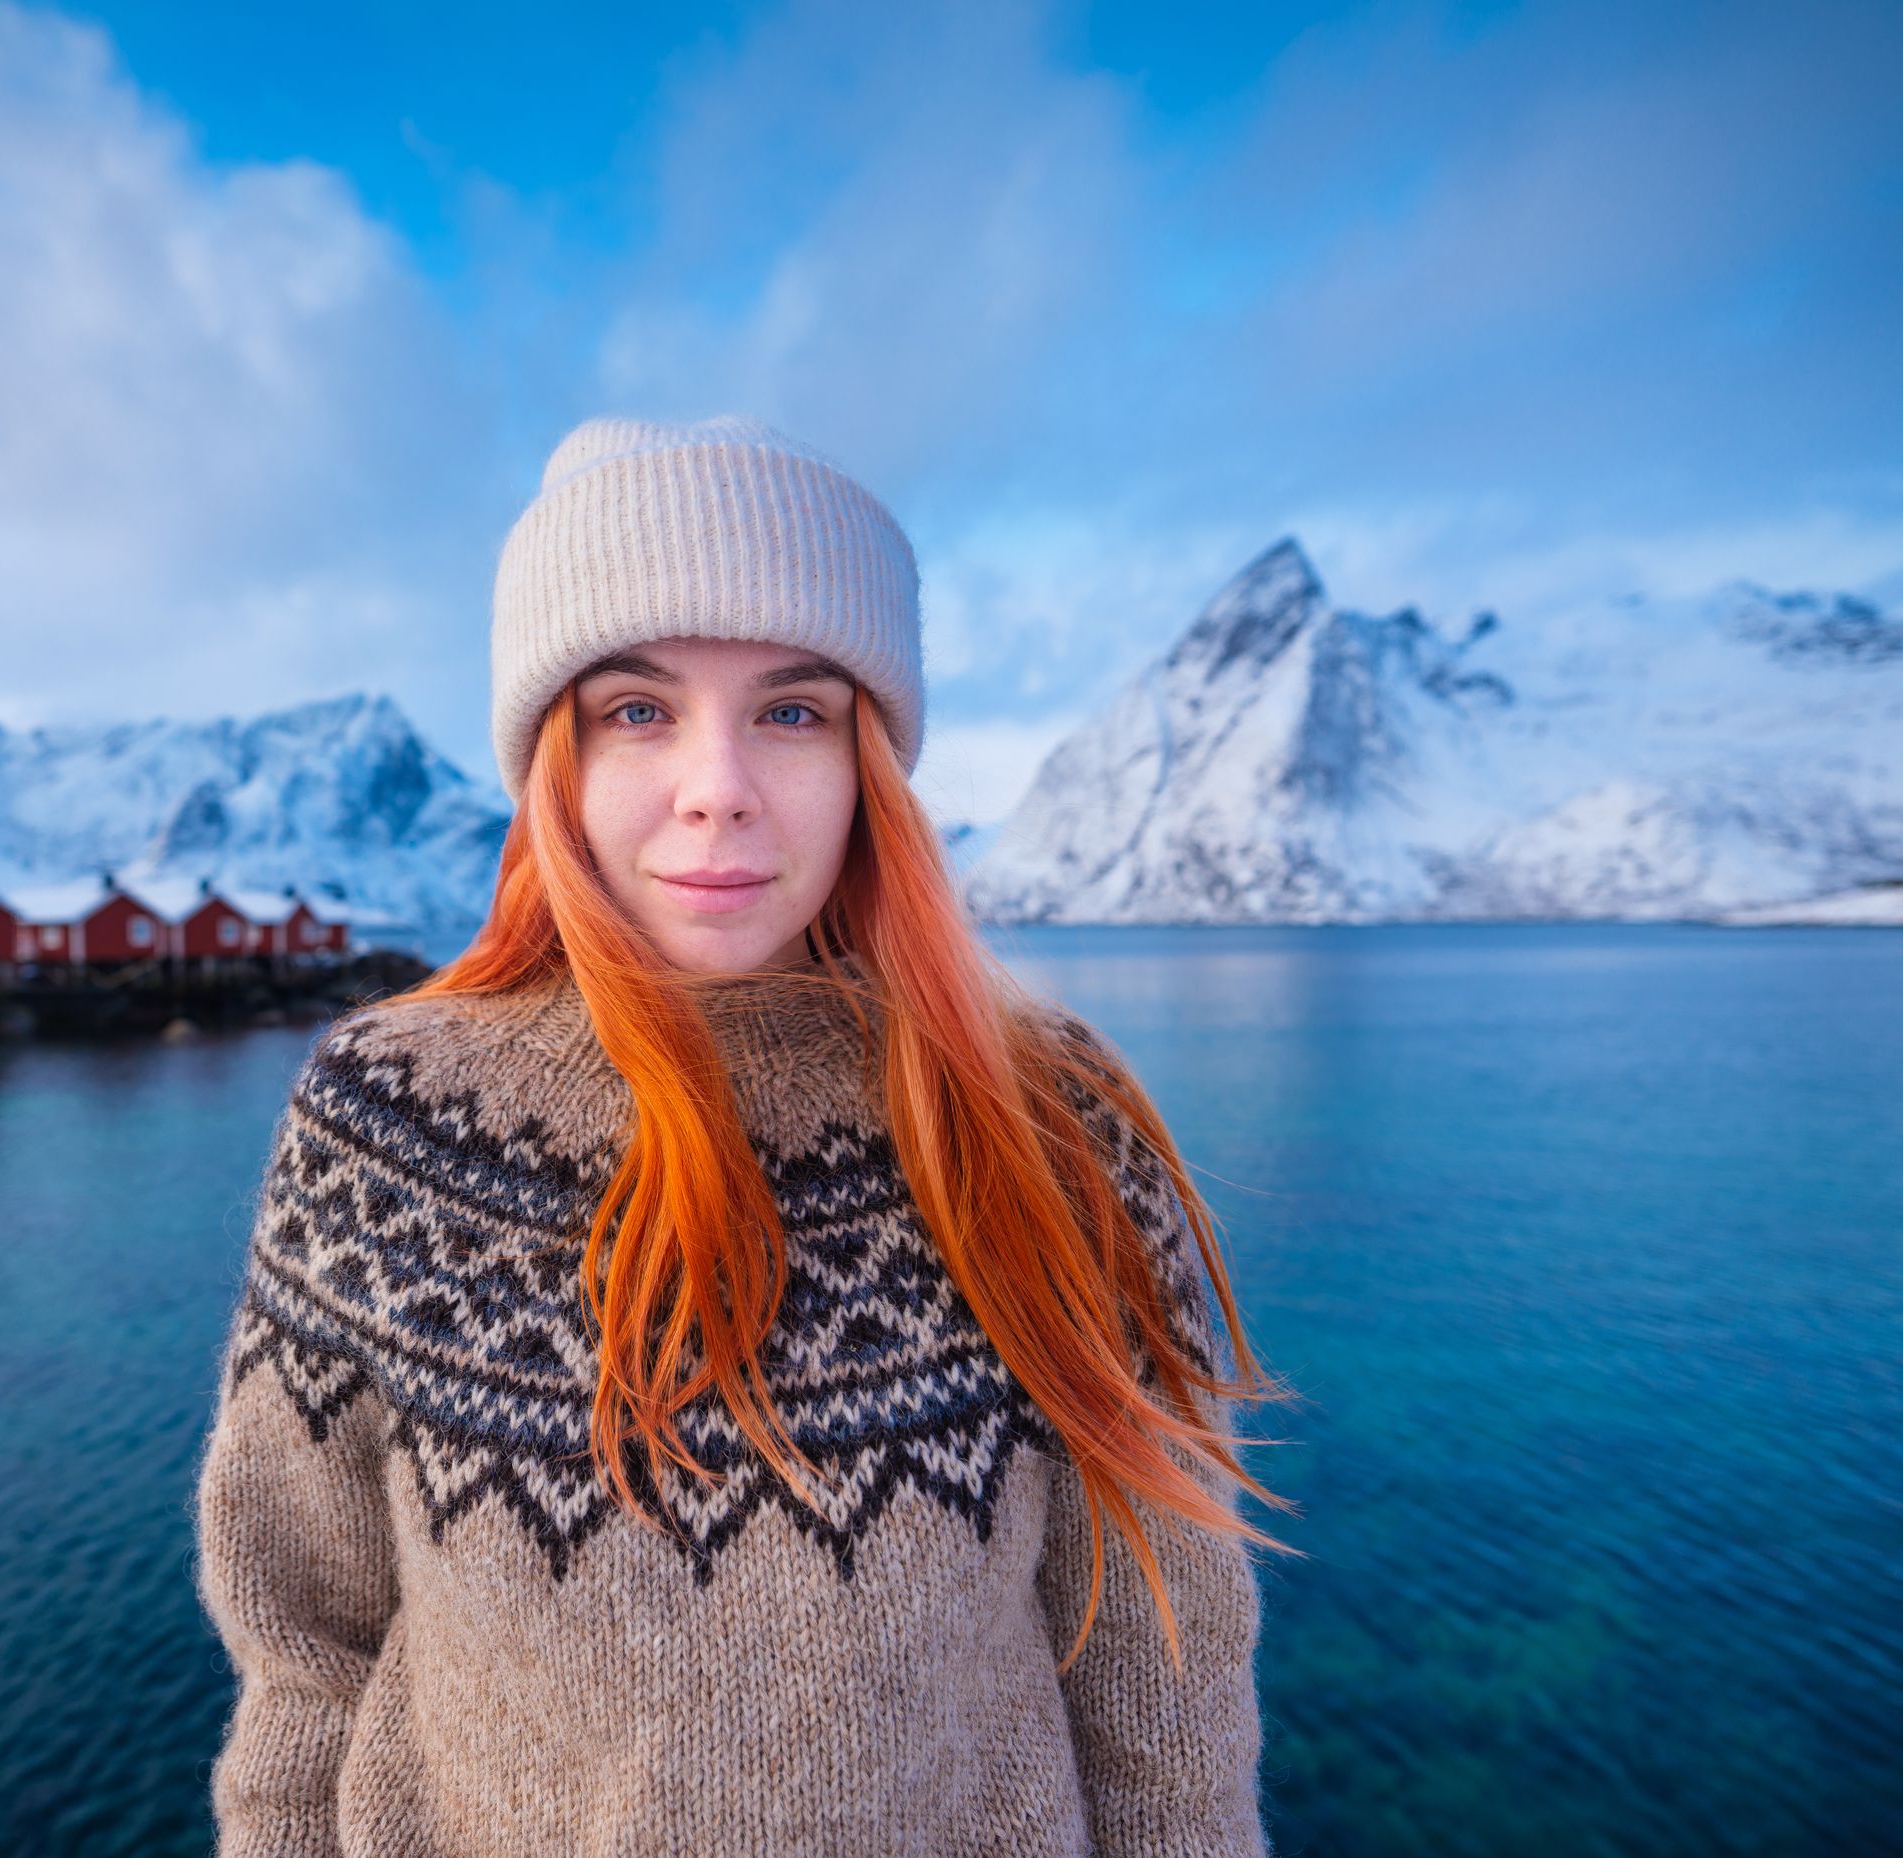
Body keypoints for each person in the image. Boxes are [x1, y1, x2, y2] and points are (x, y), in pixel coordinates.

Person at [192, 415, 1299, 1857]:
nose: (716, 783)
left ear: (868, 765)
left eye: (791, 710)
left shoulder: (1048, 1130)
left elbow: (1164, 1680)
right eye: (637, 710)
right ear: (555, 760)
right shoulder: (390, 1124)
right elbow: (308, 1655)